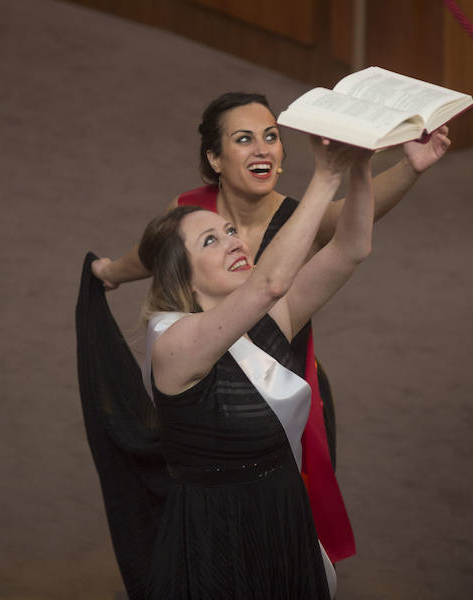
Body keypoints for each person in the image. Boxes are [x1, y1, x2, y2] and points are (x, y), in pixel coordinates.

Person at [90, 92, 450, 562]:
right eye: (244, 139)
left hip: (278, 407)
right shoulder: (186, 252)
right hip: (208, 451)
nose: (262, 149)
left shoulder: (289, 248)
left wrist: (381, 165)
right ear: (215, 158)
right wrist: (112, 272)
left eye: (271, 137)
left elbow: (351, 242)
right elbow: (172, 257)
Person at [135, 135, 372, 598]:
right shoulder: (174, 344)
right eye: (210, 240)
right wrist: (325, 175)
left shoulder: (267, 323)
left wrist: (361, 166)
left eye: (229, 231)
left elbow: (351, 249)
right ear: (181, 275)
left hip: (283, 513)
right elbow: (269, 285)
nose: (233, 241)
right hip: (216, 532)